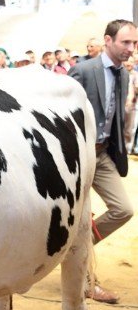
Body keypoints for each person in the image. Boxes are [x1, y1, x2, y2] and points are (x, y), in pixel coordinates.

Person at [69, 19, 137, 305]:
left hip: (104, 154)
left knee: (123, 209)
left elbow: (117, 116)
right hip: (77, 156)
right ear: (107, 41)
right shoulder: (83, 71)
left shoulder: (123, 74)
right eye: (126, 42)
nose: (131, 49)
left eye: (134, 43)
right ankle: (86, 282)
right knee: (80, 218)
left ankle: (77, 248)